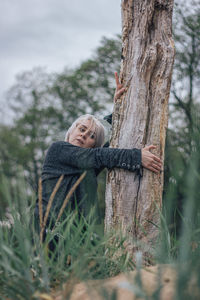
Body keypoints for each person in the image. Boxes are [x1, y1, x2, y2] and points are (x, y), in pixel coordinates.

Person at [34, 72, 162, 234]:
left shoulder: (88, 166)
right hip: (45, 233)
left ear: (94, 145)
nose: (84, 135)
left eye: (91, 136)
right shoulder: (58, 150)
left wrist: (120, 106)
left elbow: (109, 150)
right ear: (72, 130)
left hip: (72, 237)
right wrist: (137, 156)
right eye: (81, 129)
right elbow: (100, 155)